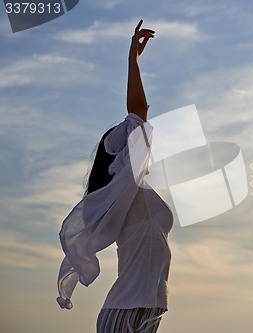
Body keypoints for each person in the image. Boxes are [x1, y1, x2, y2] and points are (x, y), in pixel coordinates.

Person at [56, 20, 174, 333]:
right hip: (126, 310)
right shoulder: (127, 182)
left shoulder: (128, 193)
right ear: (121, 155)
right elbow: (139, 111)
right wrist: (132, 61)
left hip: (144, 308)